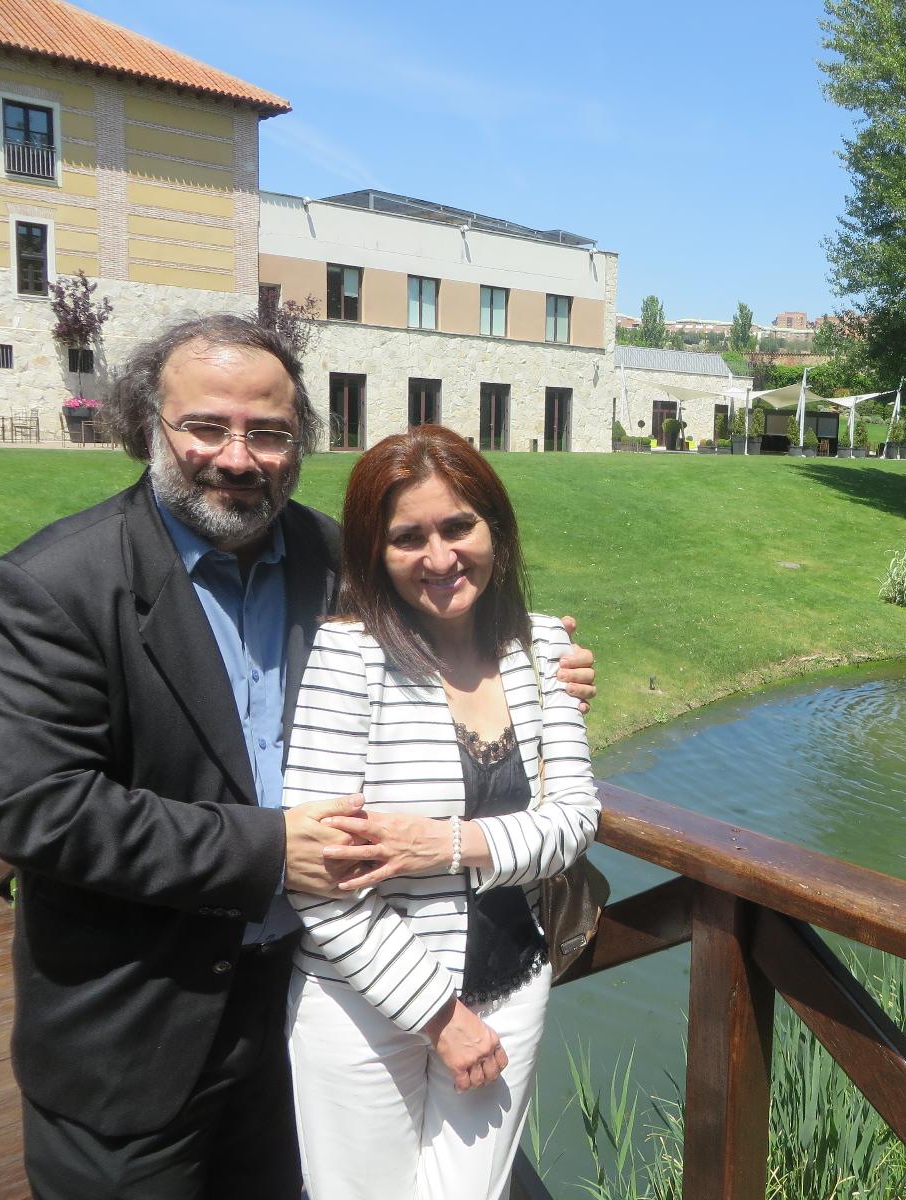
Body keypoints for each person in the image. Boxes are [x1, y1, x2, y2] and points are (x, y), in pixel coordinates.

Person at [0, 315, 596, 1200]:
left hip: (311, 1001)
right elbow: (38, 809)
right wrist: (267, 849)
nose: (238, 456)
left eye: (269, 432)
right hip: (141, 1031)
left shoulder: (333, 558)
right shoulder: (54, 586)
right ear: (150, 425)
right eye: (206, 427)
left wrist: (543, 662)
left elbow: (456, 616)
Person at [281, 425, 597, 1200]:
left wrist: (447, 844)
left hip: (511, 988)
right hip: (365, 1008)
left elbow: (576, 820)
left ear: (496, 527)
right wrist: (437, 1015)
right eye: (407, 537)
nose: (441, 557)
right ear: (374, 553)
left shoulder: (542, 649)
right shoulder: (346, 657)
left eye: (459, 526)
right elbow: (322, 879)